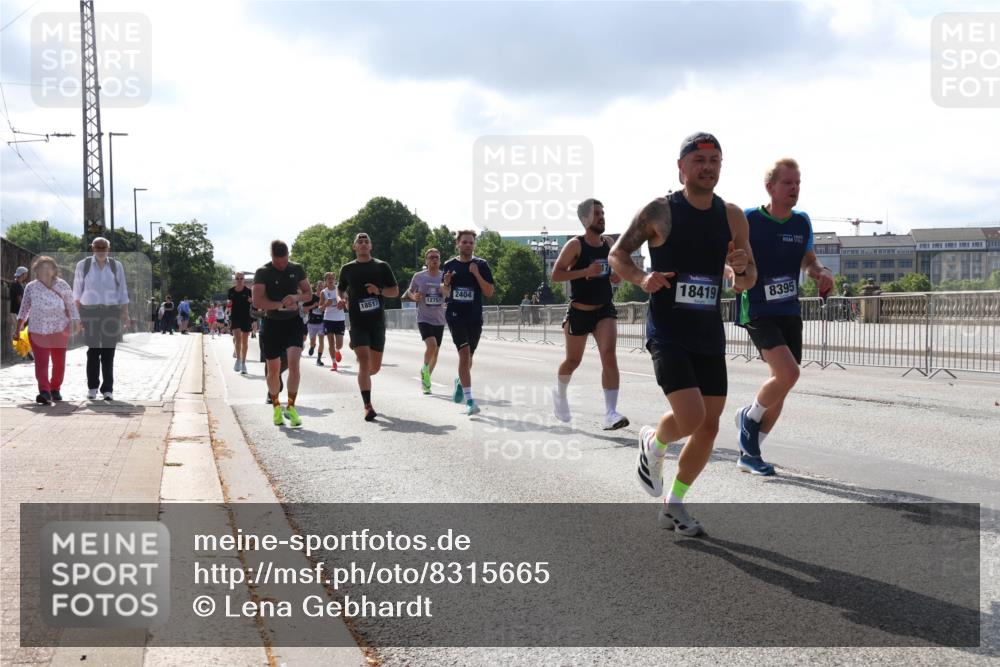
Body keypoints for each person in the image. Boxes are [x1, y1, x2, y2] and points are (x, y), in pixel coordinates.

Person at [609, 132, 756, 536]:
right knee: (692, 417)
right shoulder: (660, 210)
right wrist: (642, 277)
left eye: (714, 160)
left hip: (707, 331)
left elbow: (748, 279)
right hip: (668, 328)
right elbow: (617, 254)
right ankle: (653, 443)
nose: (707, 167)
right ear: (681, 168)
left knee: (709, 425)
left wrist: (741, 268)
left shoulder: (732, 216)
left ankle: (674, 504)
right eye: (699, 160)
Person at [734, 158, 833, 475]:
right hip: (758, 308)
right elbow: (730, 259)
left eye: (798, 183)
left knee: (783, 385)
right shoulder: (749, 219)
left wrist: (820, 272)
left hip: (789, 309)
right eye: (788, 183)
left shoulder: (801, 222)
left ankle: (750, 452)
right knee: (788, 374)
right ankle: (749, 418)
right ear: (770, 187)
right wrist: (734, 273)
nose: (794, 188)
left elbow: (809, 260)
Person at [550, 198, 629, 430]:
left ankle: (610, 413)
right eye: (596, 214)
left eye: (603, 213)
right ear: (585, 219)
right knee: (573, 361)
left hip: (604, 309)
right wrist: (585, 271)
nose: (602, 217)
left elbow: (615, 270)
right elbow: (556, 275)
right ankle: (560, 394)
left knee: (609, 354)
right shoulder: (575, 245)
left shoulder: (609, 243)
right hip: (580, 311)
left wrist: (616, 276)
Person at [337, 232, 399, 421]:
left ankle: (362, 367)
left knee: (374, 368)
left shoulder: (382, 266)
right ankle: (368, 406)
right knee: (364, 362)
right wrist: (340, 298)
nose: (363, 243)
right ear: (354, 247)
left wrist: (379, 290)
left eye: (366, 241)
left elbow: (395, 291)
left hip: (377, 323)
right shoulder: (347, 268)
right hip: (358, 322)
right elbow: (340, 288)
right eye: (360, 241)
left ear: (370, 246)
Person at [252, 239, 311, 427]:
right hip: (272, 323)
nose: (282, 265)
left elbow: (308, 294)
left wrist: (295, 297)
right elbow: (257, 301)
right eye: (278, 263)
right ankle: (276, 407)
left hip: (293, 322)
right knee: (273, 370)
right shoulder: (263, 272)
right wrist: (280, 305)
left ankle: (291, 407)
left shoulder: (296, 268)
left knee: (294, 365)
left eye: (285, 261)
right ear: (272, 257)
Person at [442, 230, 495, 415]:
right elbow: (444, 292)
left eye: (471, 242)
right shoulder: (449, 264)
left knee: (469, 358)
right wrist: (446, 283)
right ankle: (470, 401)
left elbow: (489, 292)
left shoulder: (481, 264)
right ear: (458, 243)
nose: (468, 245)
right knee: (464, 355)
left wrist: (477, 274)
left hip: (474, 317)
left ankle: (460, 382)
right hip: (455, 315)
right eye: (464, 242)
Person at [15, 256, 81, 404]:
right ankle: (44, 391)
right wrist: (18, 328)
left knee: (59, 362)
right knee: (41, 362)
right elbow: (24, 309)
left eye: (48, 267)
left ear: (54, 270)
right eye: (41, 268)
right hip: (37, 330)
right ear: (36, 271)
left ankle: (55, 388)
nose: (45, 270)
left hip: (59, 329)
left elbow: (71, 306)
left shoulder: (62, 285)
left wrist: (77, 322)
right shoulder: (31, 287)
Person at [73, 237, 130, 401]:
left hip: (111, 311)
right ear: (92, 248)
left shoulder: (116, 266)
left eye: (103, 247)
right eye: (97, 247)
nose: (100, 249)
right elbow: (76, 292)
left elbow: (122, 290)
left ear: (108, 249)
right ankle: (92, 387)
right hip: (89, 312)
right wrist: (77, 317)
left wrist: (125, 312)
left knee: (109, 351)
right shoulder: (83, 265)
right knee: (93, 351)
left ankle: (108, 389)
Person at [403, 248, 447, 394]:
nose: (434, 260)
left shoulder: (444, 276)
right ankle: (425, 368)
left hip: (439, 319)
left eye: (437, 257)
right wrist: (413, 296)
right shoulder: (419, 276)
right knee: (432, 345)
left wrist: (447, 294)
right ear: (426, 261)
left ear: (440, 261)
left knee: (436, 353)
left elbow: (449, 293)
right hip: (424, 318)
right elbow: (409, 291)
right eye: (431, 257)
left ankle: (426, 379)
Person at [317, 272, 345, 372]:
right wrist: (325, 304)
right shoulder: (323, 292)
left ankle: (337, 350)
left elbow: (345, 301)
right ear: (325, 280)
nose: (331, 280)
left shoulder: (339, 289)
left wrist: (343, 302)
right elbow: (320, 309)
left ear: (335, 279)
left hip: (339, 319)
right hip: (328, 319)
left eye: (332, 278)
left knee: (339, 344)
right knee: (331, 342)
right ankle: (334, 363)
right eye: (328, 278)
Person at [228, 273, 253, 374]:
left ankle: (243, 363)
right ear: (235, 279)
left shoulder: (248, 291)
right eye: (237, 278)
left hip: (246, 318)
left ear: (244, 279)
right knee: (237, 339)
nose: (239, 280)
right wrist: (229, 304)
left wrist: (251, 301)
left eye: (241, 278)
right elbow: (229, 303)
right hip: (235, 317)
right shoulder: (231, 291)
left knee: (245, 341)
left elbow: (254, 303)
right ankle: (238, 360)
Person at [304, 280, 327, 366]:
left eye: (322, 286)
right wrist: (313, 306)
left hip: (322, 322)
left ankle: (319, 359)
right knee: (313, 341)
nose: (320, 287)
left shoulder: (325, 297)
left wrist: (324, 306)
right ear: (316, 287)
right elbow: (304, 309)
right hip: (312, 323)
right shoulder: (312, 297)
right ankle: (312, 346)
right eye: (319, 286)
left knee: (322, 341)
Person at [9, 266, 29, 346]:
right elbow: (19, 300)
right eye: (26, 273)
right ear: (22, 274)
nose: (26, 275)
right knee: (20, 332)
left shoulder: (19, 284)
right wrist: (25, 310)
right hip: (16, 312)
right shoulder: (16, 285)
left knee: (21, 332)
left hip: (18, 312)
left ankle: (22, 350)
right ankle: (20, 350)